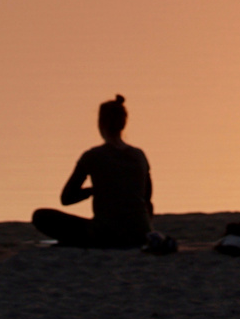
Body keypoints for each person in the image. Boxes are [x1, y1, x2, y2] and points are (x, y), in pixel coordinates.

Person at [32, 94, 154, 248]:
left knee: (41, 216)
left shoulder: (92, 156)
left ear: (100, 124)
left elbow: (67, 198)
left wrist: (93, 191)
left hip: (105, 234)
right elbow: (147, 198)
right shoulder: (139, 155)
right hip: (140, 234)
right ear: (124, 124)